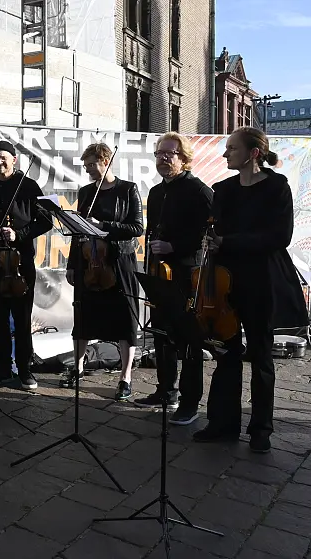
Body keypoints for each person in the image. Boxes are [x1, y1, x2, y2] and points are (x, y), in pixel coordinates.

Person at [194, 126, 307, 453]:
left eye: (232, 148)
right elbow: (215, 231)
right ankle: (222, 423)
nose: (225, 153)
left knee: (260, 355)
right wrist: (211, 242)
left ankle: (261, 429)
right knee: (225, 353)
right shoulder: (224, 189)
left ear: (253, 153)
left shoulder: (276, 187)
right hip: (227, 282)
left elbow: (279, 237)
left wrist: (227, 242)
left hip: (261, 281)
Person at [134, 133, 212, 425]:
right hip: (159, 273)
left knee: (189, 340)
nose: (163, 158)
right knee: (162, 335)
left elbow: (209, 235)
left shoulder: (199, 191)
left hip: (187, 274)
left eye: (170, 153)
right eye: (159, 153)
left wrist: (174, 247)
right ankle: (166, 391)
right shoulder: (155, 192)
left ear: (184, 158)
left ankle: (190, 403)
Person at [64, 142, 143, 401]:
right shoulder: (87, 192)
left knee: (124, 320)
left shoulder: (127, 190)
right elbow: (78, 232)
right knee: (84, 317)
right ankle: (77, 367)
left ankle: (125, 376)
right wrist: (73, 264)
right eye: (85, 166)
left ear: (106, 160)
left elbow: (136, 228)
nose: (88, 170)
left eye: (91, 165)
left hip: (119, 263)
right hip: (90, 264)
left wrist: (104, 225)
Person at [0, 140, 52, 389]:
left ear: (14, 160)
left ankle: (25, 370)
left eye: (4, 157)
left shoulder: (28, 187)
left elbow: (45, 221)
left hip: (20, 265)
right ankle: (3, 369)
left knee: (21, 319)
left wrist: (19, 234)